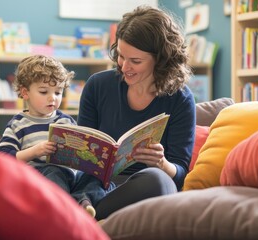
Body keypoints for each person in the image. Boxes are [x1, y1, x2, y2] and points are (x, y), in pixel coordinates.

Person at [77, 5, 196, 220]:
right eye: (122, 56)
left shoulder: (180, 98)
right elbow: (83, 157)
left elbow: (180, 175)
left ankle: (87, 216)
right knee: (68, 178)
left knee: (157, 180)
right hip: (98, 184)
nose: (124, 67)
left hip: (145, 186)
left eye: (136, 61)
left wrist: (161, 163)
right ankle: (88, 210)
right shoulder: (97, 86)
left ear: (160, 60)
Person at [0, 55, 109, 218]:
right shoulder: (17, 125)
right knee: (53, 171)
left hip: (70, 178)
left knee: (99, 179)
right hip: (36, 181)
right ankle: (60, 211)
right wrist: (34, 152)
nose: (53, 97)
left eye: (58, 92)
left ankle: (83, 203)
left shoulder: (65, 121)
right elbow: (2, 158)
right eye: (44, 92)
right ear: (25, 92)